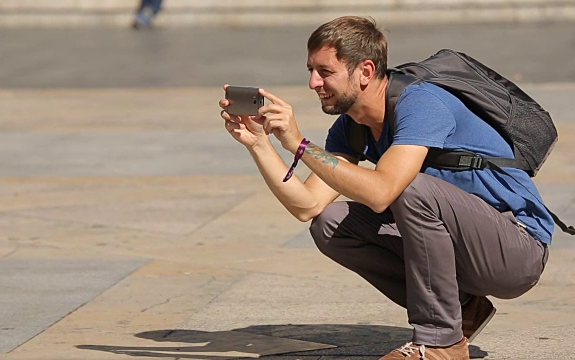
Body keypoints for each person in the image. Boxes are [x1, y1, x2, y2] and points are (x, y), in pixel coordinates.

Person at [218, 16, 551, 360]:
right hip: (464, 247)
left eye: (325, 71)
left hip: (516, 248)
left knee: (408, 188)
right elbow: (307, 205)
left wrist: (300, 143)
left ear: (365, 70)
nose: (313, 82)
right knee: (331, 223)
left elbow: (383, 191)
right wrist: (259, 144)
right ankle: (465, 309)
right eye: (310, 70)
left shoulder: (421, 103)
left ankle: (440, 342)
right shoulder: (352, 127)